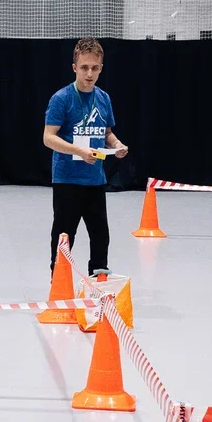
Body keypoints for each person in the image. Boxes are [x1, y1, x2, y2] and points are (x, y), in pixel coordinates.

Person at [42, 37, 128, 276]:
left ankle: (98, 281)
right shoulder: (61, 99)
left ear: (101, 68)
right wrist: (79, 150)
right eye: (84, 67)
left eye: (95, 68)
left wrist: (117, 144)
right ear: (74, 68)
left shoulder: (104, 98)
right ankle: (58, 279)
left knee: (101, 235)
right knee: (64, 234)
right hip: (67, 180)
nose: (89, 73)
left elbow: (107, 132)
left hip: (95, 180)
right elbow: (48, 137)